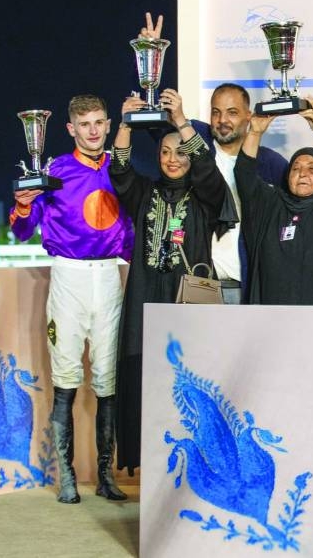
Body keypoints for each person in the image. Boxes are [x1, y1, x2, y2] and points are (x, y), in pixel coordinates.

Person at [9, 94, 134, 503]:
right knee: (65, 378)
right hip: (69, 278)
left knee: (108, 381)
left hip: (110, 277)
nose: (93, 131)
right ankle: (66, 475)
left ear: (109, 124)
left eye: (99, 122)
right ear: (70, 129)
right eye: (85, 124)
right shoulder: (53, 171)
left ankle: (106, 476)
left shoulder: (121, 169)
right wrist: (22, 206)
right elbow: (23, 230)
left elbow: (132, 231)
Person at [110, 85, 230, 476]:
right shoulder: (146, 192)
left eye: (180, 152)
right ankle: (150, 466)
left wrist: (179, 120)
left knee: (188, 380)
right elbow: (120, 173)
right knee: (145, 376)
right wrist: (125, 125)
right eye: (164, 152)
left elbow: (209, 171)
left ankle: (197, 467)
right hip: (145, 296)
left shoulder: (206, 196)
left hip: (187, 302)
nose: (172, 159)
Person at [170, 82, 288, 303]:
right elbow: (167, 128)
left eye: (232, 113)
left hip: (248, 286)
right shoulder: (194, 152)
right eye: (216, 112)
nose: (222, 120)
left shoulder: (271, 163)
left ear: (248, 116)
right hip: (200, 281)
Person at [236, 97, 313, 304]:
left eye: (312, 169)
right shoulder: (270, 205)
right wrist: (255, 132)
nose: (302, 174)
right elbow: (244, 174)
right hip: (272, 315)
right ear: (287, 176)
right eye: (296, 168)